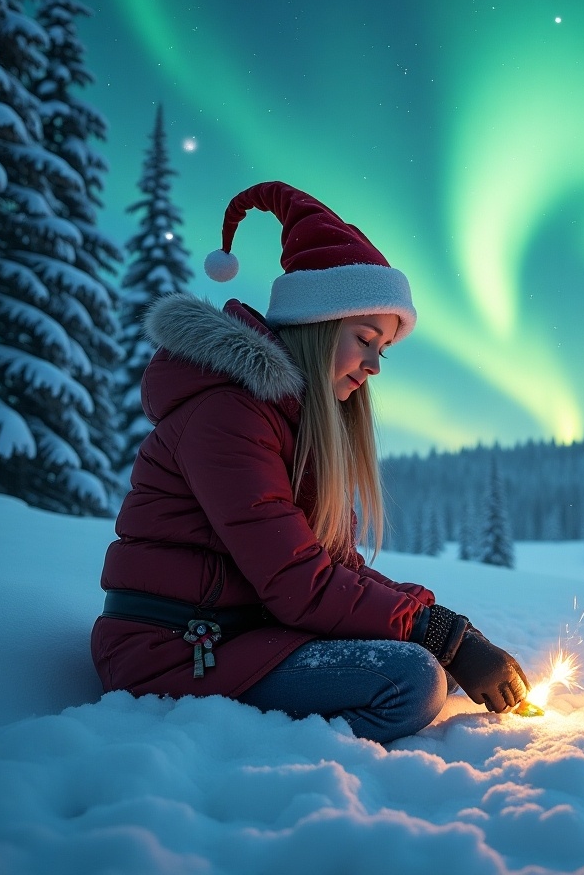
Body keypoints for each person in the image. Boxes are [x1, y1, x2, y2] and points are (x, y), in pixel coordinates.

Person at [91, 181, 530, 744]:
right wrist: (438, 637)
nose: (374, 364)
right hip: (172, 651)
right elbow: (300, 584)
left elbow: (337, 567)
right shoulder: (229, 415)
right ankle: (259, 759)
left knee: (420, 658)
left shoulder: (290, 424)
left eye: (383, 349)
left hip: (237, 636)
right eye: (365, 338)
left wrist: (443, 628)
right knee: (410, 679)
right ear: (319, 325)